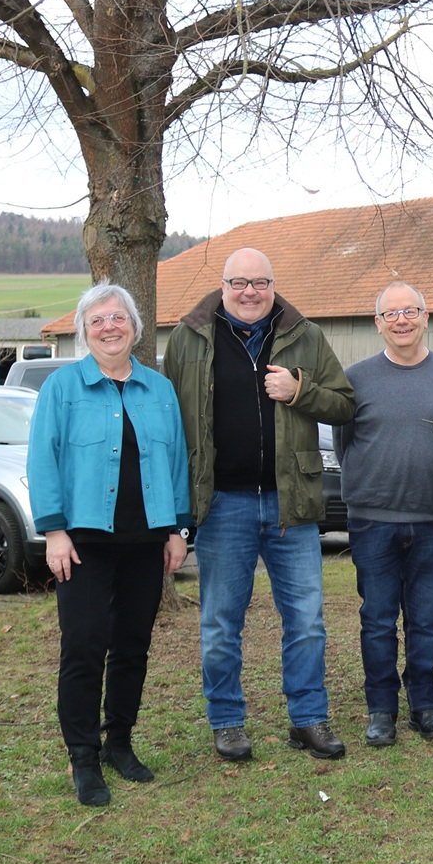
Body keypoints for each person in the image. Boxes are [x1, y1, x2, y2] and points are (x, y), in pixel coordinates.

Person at [163, 247, 357, 762]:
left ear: (274, 285)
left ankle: (308, 719)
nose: (250, 292)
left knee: (307, 620)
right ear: (222, 285)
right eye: (239, 282)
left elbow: (344, 402)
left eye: (261, 282)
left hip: (290, 502)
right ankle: (226, 722)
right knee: (221, 622)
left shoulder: (305, 335)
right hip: (223, 505)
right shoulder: (188, 338)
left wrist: (299, 390)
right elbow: (173, 422)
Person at [28, 284, 191, 806]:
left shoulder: (159, 390)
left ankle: (119, 742)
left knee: (132, 648)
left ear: (135, 327)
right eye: (96, 320)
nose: (109, 327)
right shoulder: (62, 388)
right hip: (83, 544)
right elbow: (42, 460)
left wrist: (178, 530)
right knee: (83, 648)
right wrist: (53, 530)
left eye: (118, 318)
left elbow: (177, 464)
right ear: (84, 330)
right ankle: (83, 757)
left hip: (146, 542)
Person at [336, 282, 433, 748]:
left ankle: (425, 706)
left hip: (429, 518)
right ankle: (382, 710)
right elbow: (345, 440)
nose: (401, 321)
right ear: (378, 323)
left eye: (410, 311)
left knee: (426, 617)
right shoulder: (356, 377)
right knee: (377, 619)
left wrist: (432, 480)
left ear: (426, 316)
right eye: (390, 314)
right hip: (372, 520)